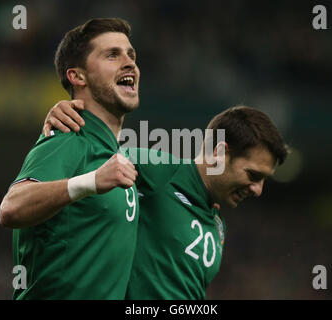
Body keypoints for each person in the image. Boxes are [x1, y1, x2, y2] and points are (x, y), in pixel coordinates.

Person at [44, 102, 288, 299]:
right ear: (220, 154)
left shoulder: (217, 225)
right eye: (253, 175)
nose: (258, 190)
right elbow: (89, 156)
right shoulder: (157, 171)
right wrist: (65, 122)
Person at [0, 18, 141, 299]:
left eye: (131, 55)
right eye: (112, 55)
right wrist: (91, 181)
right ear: (77, 77)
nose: (129, 63)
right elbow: (11, 208)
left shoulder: (119, 157)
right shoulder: (68, 136)